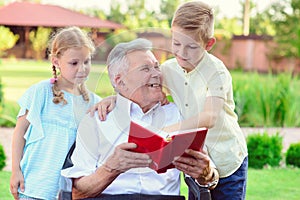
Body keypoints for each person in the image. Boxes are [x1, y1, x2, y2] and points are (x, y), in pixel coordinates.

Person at [95, 1, 248, 199]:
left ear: (208, 44)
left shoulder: (216, 72)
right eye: (176, 44)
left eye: (191, 47)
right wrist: (114, 98)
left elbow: (209, 117)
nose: (182, 53)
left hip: (228, 162)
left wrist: (170, 130)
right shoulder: (168, 69)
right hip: (195, 161)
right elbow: (142, 90)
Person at [61, 38, 219, 199]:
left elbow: (210, 176)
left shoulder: (180, 115)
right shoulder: (96, 120)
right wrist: (111, 168)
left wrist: (207, 175)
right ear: (119, 80)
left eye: (157, 67)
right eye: (146, 69)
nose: (157, 74)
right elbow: (77, 193)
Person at [10, 26, 101, 200]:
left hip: (69, 192)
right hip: (34, 186)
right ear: (56, 61)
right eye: (74, 63)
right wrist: (15, 171)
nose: (82, 69)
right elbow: (19, 133)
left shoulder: (94, 102)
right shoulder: (41, 92)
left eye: (86, 61)